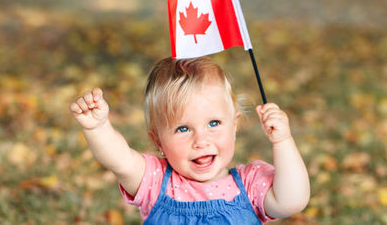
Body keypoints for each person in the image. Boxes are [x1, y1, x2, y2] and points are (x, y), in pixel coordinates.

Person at [69, 57, 309, 224]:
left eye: (213, 123)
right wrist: (99, 127)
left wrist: (283, 141)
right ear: (158, 142)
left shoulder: (249, 184)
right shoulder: (156, 181)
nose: (201, 140)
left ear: (234, 125)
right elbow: (120, 161)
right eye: (183, 129)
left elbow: (292, 201)